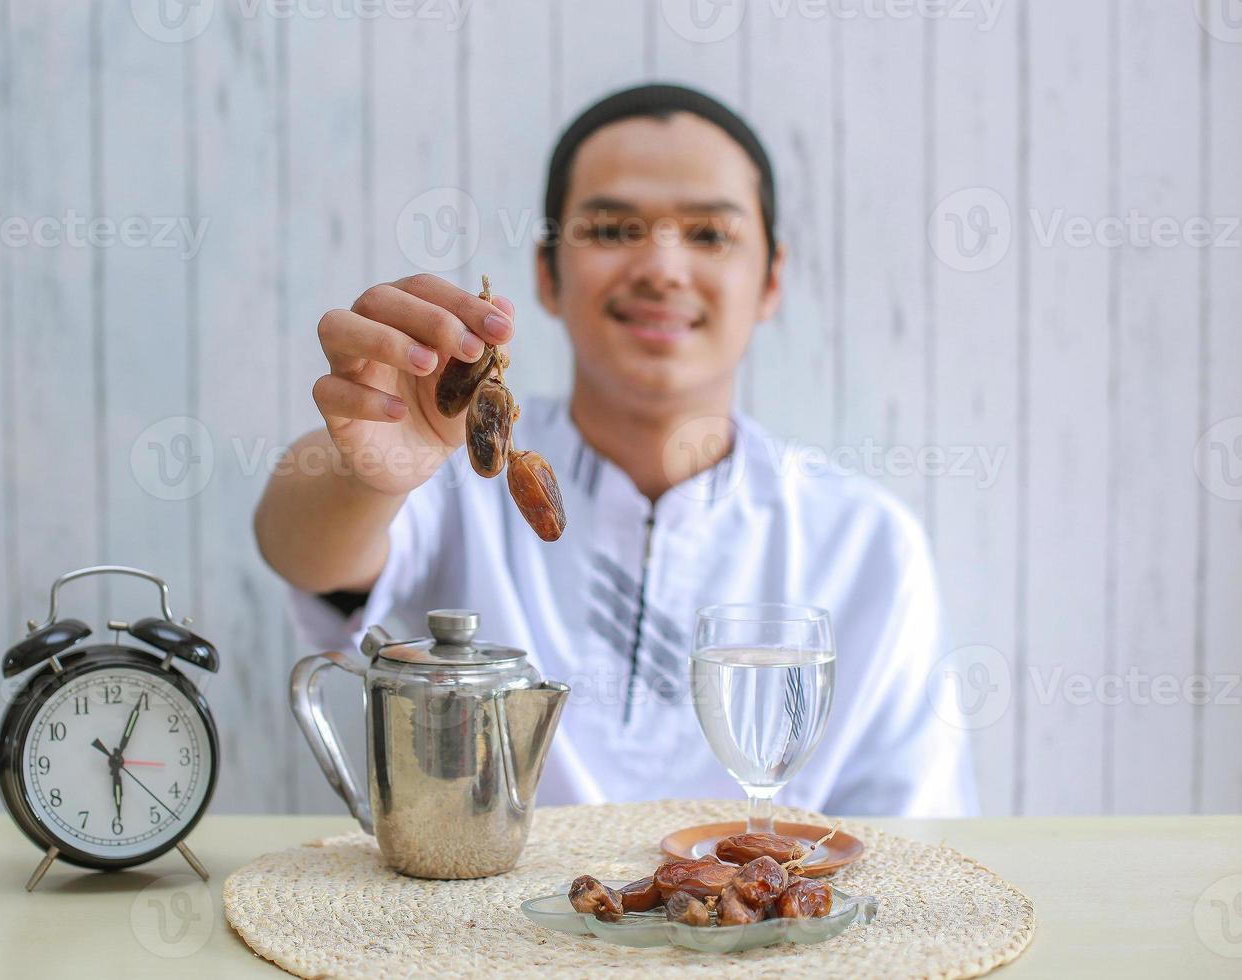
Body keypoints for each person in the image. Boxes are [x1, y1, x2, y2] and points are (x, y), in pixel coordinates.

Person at [256, 84, 977, 817]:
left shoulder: (867, 544)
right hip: (484, 922)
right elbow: (302, 550)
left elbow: (913, 838)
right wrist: (367, 472)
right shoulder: (459, 476)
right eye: (610, 230)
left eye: (709, 235)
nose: (662, 268)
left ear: (771, 280)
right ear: (547, 273)